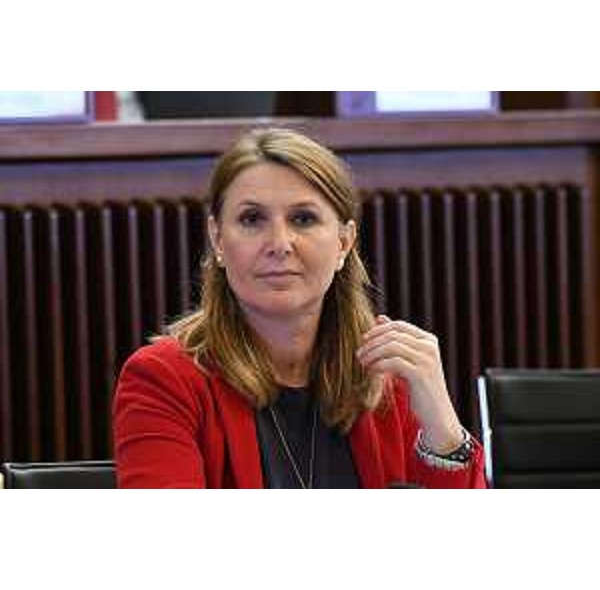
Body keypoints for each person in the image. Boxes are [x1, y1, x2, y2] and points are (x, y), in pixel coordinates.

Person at [113, 127, 486, 489]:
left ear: (344, 243)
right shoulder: (163, 379)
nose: (280, 243)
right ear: (218, 240)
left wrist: (445, 431)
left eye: (303, 219)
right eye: (252, 219)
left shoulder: (389, 373)